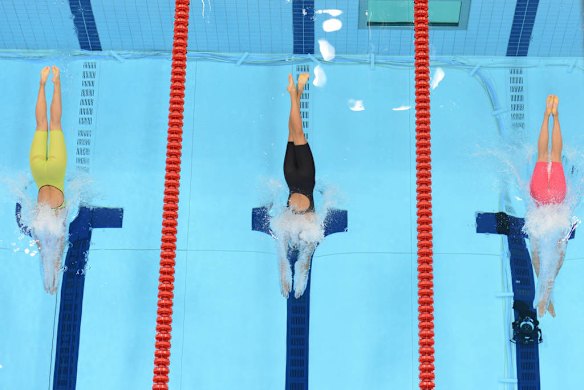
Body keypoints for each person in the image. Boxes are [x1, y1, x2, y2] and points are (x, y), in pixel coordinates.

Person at [274, 73, 321, 299]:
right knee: (297, 133)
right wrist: (297, 285)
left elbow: (285, 261)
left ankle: (295, 93)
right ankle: (295, 93)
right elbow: (303, 263)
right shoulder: (308, 231)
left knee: (293, 133)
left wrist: (286, 280)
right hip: (300, 174)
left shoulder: (287, 225)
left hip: (294, 177)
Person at [527, 94, 568, 317]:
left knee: (553, 156)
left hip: (556, 197)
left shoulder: (552, 232)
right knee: (547, 156)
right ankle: (551, 115)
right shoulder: (545, 231)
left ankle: (552, 115)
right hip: (543, 199)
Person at [29, 66, 68, 294]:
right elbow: (45, 250)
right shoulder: (38, 227)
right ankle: (42, 84)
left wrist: (54, 278)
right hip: (39, 174)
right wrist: (50, 279)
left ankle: (55, 82)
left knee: (55, 125)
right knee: (41, 125)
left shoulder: (58, 225)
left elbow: (57, 251)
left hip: (55, 171)